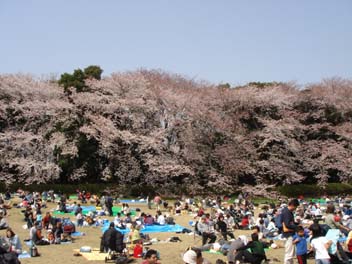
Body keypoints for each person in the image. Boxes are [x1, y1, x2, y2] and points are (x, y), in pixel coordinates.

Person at [282, 198, 300, 264]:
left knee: (291, 253)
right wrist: (297, 227)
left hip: (289, 233)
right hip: (288, 234)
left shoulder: (288, 211)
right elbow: (288, 224)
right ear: (292, 205)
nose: (295, 208)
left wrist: (297, 224)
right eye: (295, 206)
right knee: (289, 254)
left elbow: (290, 223)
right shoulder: (287, 212)